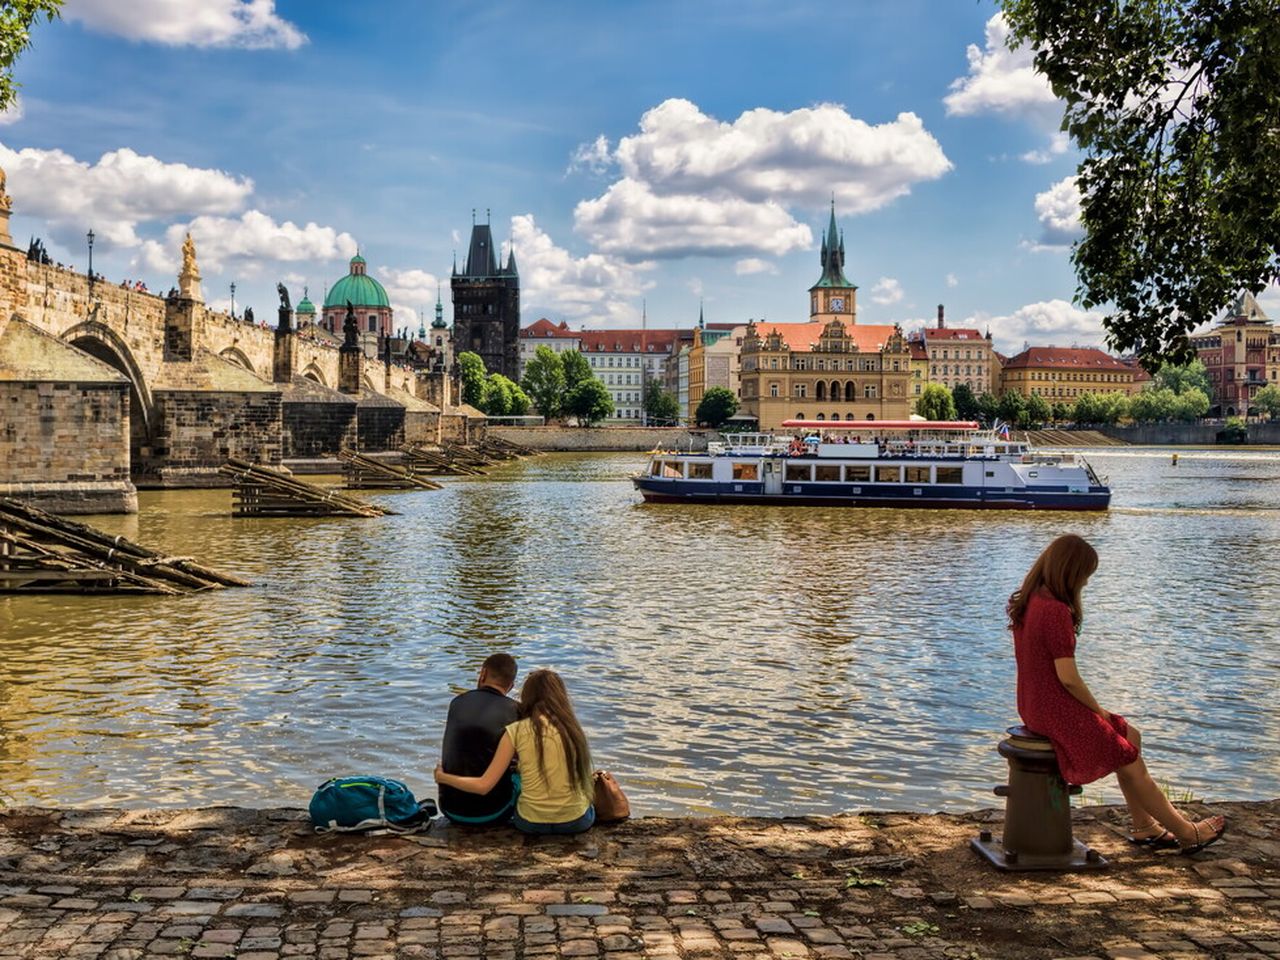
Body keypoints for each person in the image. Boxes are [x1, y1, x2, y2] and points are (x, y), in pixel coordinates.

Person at [1009, 534, 1227, 854]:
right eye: (1085, 574)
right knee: (1129, 758)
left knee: (1131, 737)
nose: (1085, 582)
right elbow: (1068, 679)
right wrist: (1098, 712)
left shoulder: (1030, 601)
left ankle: (1144, 826)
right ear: (1071, 572)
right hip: (1056, 708)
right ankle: (1187, 832)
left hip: (1032, 705)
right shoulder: (1055, 611)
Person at [436, 668, 595, 835]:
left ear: (527, 696)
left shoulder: (516, 731)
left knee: (517, 777)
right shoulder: (574, 730)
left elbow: (483, 785)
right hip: (576, 822)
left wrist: (442, 777)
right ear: (561, 696)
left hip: (530, 823)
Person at [437, 653, 520, 826]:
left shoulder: (457, 702)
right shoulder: (516, 710)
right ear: (511, 686)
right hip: (495, 813)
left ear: (482, 674)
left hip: (449, 808)